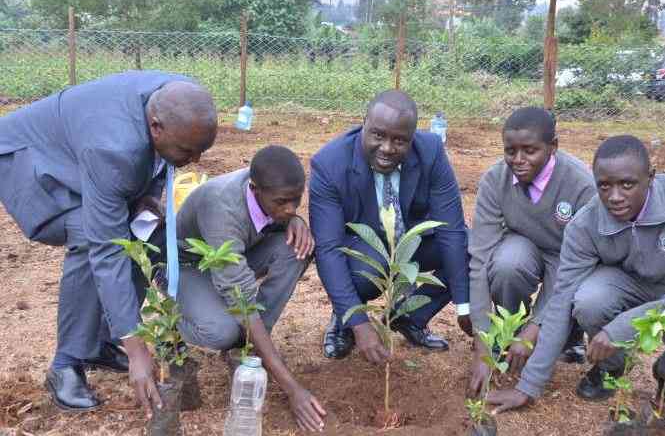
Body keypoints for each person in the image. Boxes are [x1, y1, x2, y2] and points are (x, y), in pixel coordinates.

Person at [0, 71, 217, 415]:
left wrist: (145, 197)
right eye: (187, 151)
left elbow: (155, 164)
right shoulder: (114, 149)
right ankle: (66, 364)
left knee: (140, 232)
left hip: (83, 149)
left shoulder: (182, 97)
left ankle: (99, 342)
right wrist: (136, 349)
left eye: (202, 150)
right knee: (90, 238)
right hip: (32, 159)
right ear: (156, 127)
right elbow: (107, 250)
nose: (196, 161)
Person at [489, 135, 665, 423]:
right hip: (629, 285)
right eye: (604, 185)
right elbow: (561, 298)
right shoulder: (585, 224)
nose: (615, 196)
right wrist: (528, 386)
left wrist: (622, 328)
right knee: (587, 300)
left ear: (650, 177)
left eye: (627, 184)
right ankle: (613, 366)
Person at [309, 90, 472, 364]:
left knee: (471, 247)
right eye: (378, 135)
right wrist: (360, 324)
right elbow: (328, 249)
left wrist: (464, 304)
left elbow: (451, 228)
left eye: (399, 140)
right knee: (367, 270)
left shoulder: (430, 151)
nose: (387, 148)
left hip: (411, 240)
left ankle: (410, 316)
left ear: (412, 137)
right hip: (363, 248)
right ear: (364, 124)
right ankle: (345, 318)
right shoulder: (329, 165)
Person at [175, 145, 326, 432]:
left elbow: (284, 211)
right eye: (282, 202)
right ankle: (177, 318)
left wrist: (296, 220)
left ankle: (251, 345)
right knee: (222, 331)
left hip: (236, 253)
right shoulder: (222, 208)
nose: (290, 207)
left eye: (296, 200)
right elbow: (240, 294)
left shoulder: (271, 188)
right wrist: (293, 389)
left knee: (298, 249)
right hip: (189, 266)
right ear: (254, 189)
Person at [467, 107, 596, 398]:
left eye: (530, 151)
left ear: (554, 147)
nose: (518, 160)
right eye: (510, 151)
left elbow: (574, 267)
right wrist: (482, 341)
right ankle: (505, 336)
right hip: (523, 246)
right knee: (506, 265)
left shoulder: (580, 185)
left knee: (582, 293)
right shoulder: (495, 180)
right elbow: (479, 260)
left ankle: (567, 334)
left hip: (568, 259)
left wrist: (536, 328)